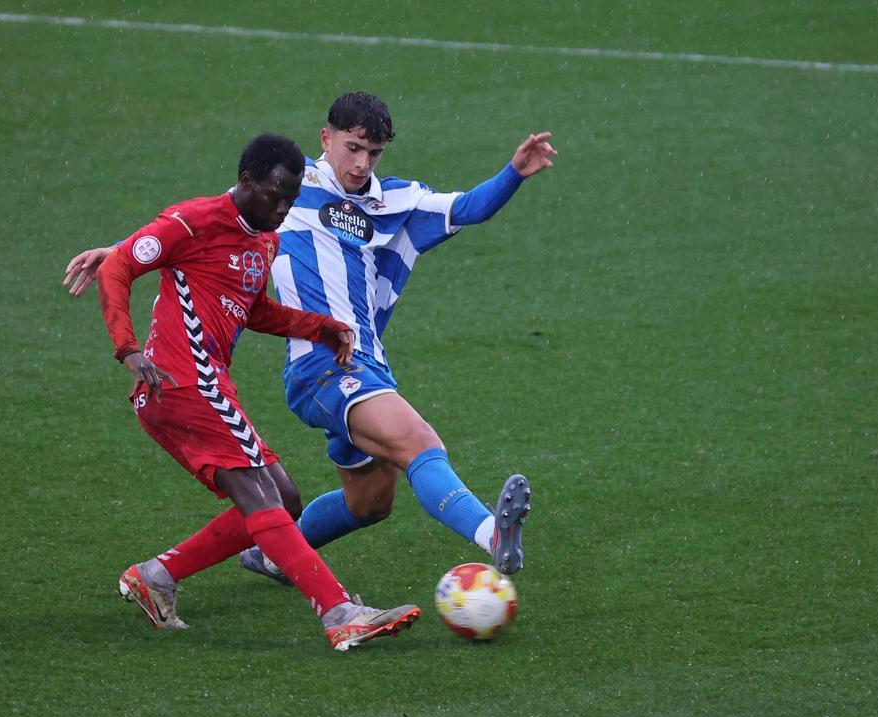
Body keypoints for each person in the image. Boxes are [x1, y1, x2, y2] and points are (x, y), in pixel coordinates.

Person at [65, 92, 555, 585]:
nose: (362, 163)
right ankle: (494, 535)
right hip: (322, 363)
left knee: (370, 503)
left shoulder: (399, 201)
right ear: (326, 139)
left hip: (368, 360)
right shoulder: (291, 185)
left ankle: (271, 555)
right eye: (353, 148)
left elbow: (469, 207)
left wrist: (513, 172)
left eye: (374, 153)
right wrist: (122, 250)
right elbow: (202, 222)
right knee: (419, 443)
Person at [89, 132, 419, 650]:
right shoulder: (193, 221)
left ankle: (156, 576)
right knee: (262, 495)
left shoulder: (263, 239)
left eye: (291, 199)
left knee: (284, 498)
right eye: (274, 195)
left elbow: (253, 307)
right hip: (182, 383)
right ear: (246, 182)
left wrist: (320, 327)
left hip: (201, 387)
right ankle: (339, 613)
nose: (283, 209)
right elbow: (119, 265)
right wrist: (128, 348)